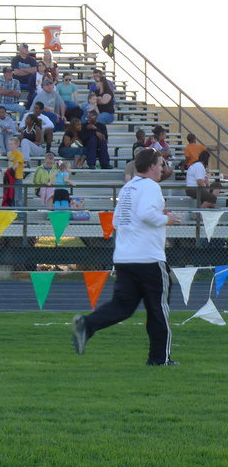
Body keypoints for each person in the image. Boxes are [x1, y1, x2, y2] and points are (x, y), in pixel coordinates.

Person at [73, 149, 180, 365]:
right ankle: (159, 359)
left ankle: (87, 325)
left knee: (122, 307)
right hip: (149, 259)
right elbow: (146, 214)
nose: (162, 168)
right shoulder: (151, 186)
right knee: (158, 309)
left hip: (124, 258)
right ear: (151, 166)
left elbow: (115, 222)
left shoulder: (128, 187)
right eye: (160, 164)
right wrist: (167, 220)